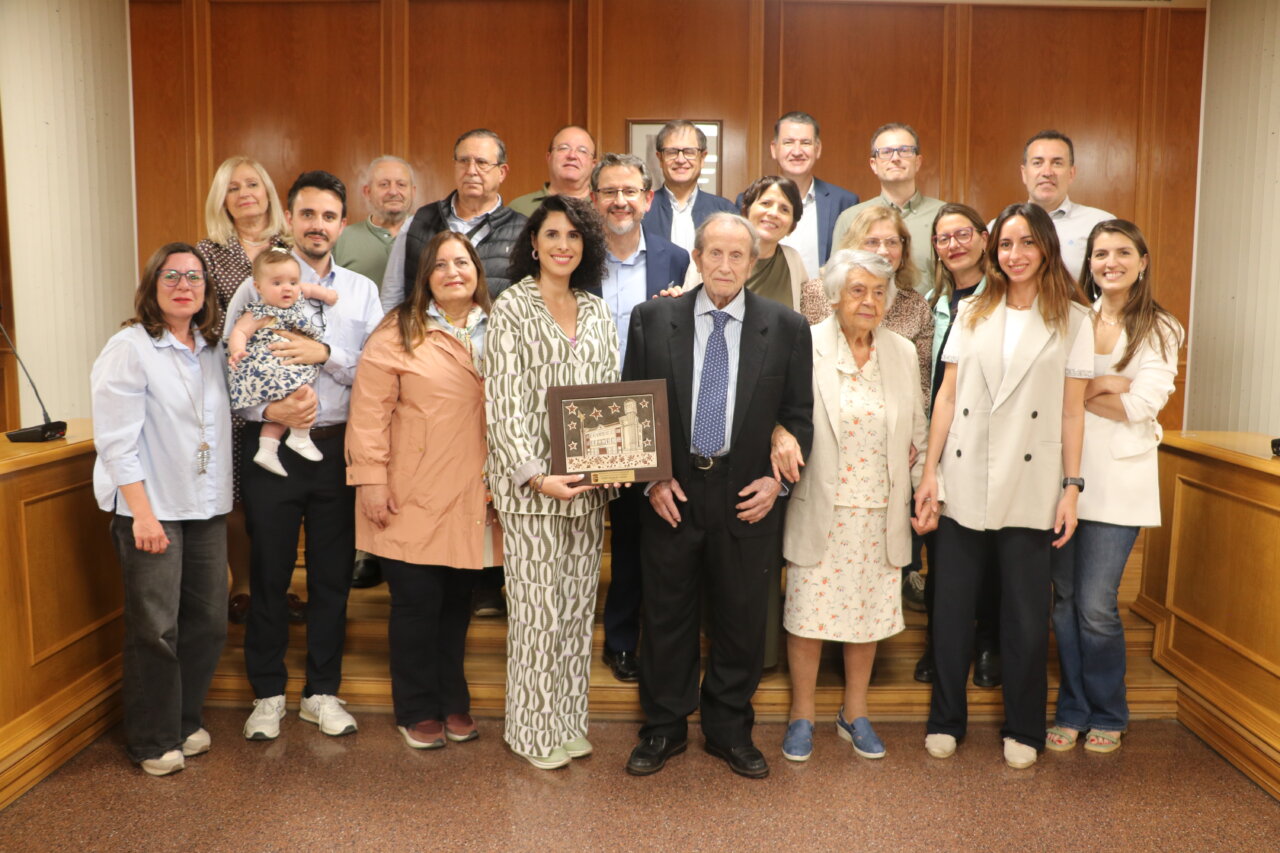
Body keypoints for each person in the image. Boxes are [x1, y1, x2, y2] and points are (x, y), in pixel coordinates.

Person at [623, 213, 814, 780]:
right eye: (715, 254)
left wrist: (777, 484)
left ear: (752, 263)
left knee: (740, 618)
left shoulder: (785, 327)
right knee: (666, 616)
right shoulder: (653, 319)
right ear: (698, 257)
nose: (725, 265)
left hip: (747, 493)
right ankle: (663, 728)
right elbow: (635, 411)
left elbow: (799, 417)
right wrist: (652, 478)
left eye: (738, 256)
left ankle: (730, 729)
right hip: (673, 491)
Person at [913, 202, 1094, 770]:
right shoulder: (973, 308)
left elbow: (1071, 414)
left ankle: (1025, 727)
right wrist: (929, 472)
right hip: (964, 471)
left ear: (1046, 248)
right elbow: (946, 396)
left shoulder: (1073, 318)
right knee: (951, 608)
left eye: (1027, 244)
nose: (1015, 255)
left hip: (1032, 479)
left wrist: (1071, 488)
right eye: (1007, 245)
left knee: (1022, 612)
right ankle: (946, 719)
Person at [228, 170, 384, 742]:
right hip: (270, 445)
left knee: (331, 576)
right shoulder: (257, 285)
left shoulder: (361, 292)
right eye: (307, 215)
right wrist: (273, 411)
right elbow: (234, 361)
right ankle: (267, 694)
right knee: (268, 573)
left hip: (336, 446)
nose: (317, 226)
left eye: (328, 216)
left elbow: (374, 368)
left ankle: (322, 691)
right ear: (289, 219)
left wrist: (324, 350)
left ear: (343, 224)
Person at [347, 231, 502, 750]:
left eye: (462, 262)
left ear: (478, 270)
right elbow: (368, 414)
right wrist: (369, 480)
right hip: (408, 490)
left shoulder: (502, 326)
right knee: (416, 606)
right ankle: (416, 707)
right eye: (440, 266)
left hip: (474, 492)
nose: (453, 271)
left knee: (457, 605)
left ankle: (452, 700)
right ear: (425, 279)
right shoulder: (397, 331)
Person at [774, 249, 928, 763]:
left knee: (867, 619)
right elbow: (780, 411)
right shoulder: (806, 342)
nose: (869, 301)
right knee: (806, 618)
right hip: (821, 504)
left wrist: (927, 484)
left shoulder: (903, 351)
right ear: (836, 295)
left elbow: (919, 432)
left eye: (879, 292)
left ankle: (854, 713)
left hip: (879, 509)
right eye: (858, 290)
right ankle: (801, 715)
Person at [484, 195, 616, 769]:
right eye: (552, 234)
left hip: (585, 492)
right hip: (532, 490)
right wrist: (537, 476)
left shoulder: (597, 309)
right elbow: (502, 403)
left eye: (574, 236)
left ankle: (566, 720)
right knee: (538, 616)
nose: (563, 245)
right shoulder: (511, 307)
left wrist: (614, 468)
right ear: (532, 244)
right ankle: (531, 731)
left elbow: (611, 401)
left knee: (576, 610)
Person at [90, 243, 231, 776]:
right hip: (151, 509)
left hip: (206, 506)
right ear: (152, 287)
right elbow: (116, 442)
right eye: (170, 275)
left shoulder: (212, 348)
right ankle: (152, 739)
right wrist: (142, 516)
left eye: (194, 276)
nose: (183, 284)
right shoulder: (130, 348)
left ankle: (183, 719)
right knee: (154, 628)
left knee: (210, 623)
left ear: (205, 291)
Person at [1046, 219, 1181, 756]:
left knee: (1097, 605)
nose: (1111, 262)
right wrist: (1106, 384)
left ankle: (1109, 710)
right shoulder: (1072, 317)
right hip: (1062, 478)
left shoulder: (1162, 328)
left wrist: (1083, 390)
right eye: (1101, 253)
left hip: (1120, 480)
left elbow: (1140, 405)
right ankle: (1072, 708)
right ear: (1090, 262)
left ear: (1142, 260)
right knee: (1063, 601)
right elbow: (1054, 389)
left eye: (1123, 252)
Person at [587, 152, 690, 683]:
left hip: (651, 413)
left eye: (631, 191)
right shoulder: (576, 257)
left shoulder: (676, 258)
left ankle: (630, 641)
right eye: (609, 191)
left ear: (649, 200)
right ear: (594, 199)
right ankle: (584, 635)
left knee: (639, 534)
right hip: (587, 413)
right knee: (592, 532)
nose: (620, 201)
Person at [194, 155, 296, 625]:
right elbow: (201, 318)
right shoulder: (207, 253)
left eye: (253, 184)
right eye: (233, 188)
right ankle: (246, 587)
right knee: (236, 489)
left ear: (269, 193)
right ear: (223, 200)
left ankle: (284, 586)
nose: (245, 194)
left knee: (284, 490)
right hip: (229, 379)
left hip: (290, 382)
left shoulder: (293, 244)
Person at [913, 203, 995, 685]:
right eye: (943, 239)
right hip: (939, 442)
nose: (953, 245)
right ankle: (941, 646)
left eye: (962, 234)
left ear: (984, 237)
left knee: (987, 554)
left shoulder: (1004, 296)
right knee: (941, 555)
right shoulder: (933, 301)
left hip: (988, 442)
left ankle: (986, 647)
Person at [382, 129, 528, 309]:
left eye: (481, 163)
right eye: (464, 161)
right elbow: (392, 295)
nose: (471, 171)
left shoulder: (523, 232)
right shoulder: (419, 222)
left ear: (502, 172)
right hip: (424, 334)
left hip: (491, 336)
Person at [227, 248, 333, 476]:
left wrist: (327, 296)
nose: (287, 288)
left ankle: (267, 449)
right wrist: (237, 350)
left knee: (290, 405)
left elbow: (310, 289)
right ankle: (299, 437)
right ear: (258, 287)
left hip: (286, 364)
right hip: (270, 367)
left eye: (293, 282)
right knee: (303, 394)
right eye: (277, 283)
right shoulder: (260, 312)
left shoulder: (296, 295)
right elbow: (239, 332)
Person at [738, 111, 858, 276]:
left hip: (824, 299)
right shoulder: (749, 201)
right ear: (774, 149)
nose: (797, 151)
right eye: (788, 142)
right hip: (764, 298)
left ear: (818, 149)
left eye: (805, 143)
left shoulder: (845, 202)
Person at [834, 123, 946, 295]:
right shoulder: (850, 218)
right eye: (886, 152)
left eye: (905, 150)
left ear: (918, 162)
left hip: (934, 319)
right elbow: (836, 281)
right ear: (873, 164)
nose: (895, 158)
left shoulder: (944, 216)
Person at [1019, 130, 1113, 279]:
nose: (1047, 172)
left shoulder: (1101, 224)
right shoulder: (999, 228)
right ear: (1024, 173)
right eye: (1038, 163)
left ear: (1071, 173)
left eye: (1057, 163)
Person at [645, 120, 738, 255]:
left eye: (689, 152)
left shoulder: (725, 211)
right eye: (672, 152)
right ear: (660, 158)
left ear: (702, 157)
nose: (681, 160)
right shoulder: (642, 209)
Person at [333, 155, 416, 290]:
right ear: (367, 192)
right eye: (384, 184)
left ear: (413, 192)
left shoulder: (430, 236)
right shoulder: (340, 239)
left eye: (401, 185)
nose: (393, 191)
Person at [735, 175, 808, 310]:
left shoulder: (793, 260)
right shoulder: (714, 254)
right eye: (766, 203)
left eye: (784, 209)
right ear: (746, 211)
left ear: (792, 226)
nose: (774, 213)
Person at [508, 125, 597, 217]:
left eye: (582, 151)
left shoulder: (605, 207)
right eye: (563, 148)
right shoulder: (519, 209)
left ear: (593, 164)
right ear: (549, 158)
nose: (572, 155)